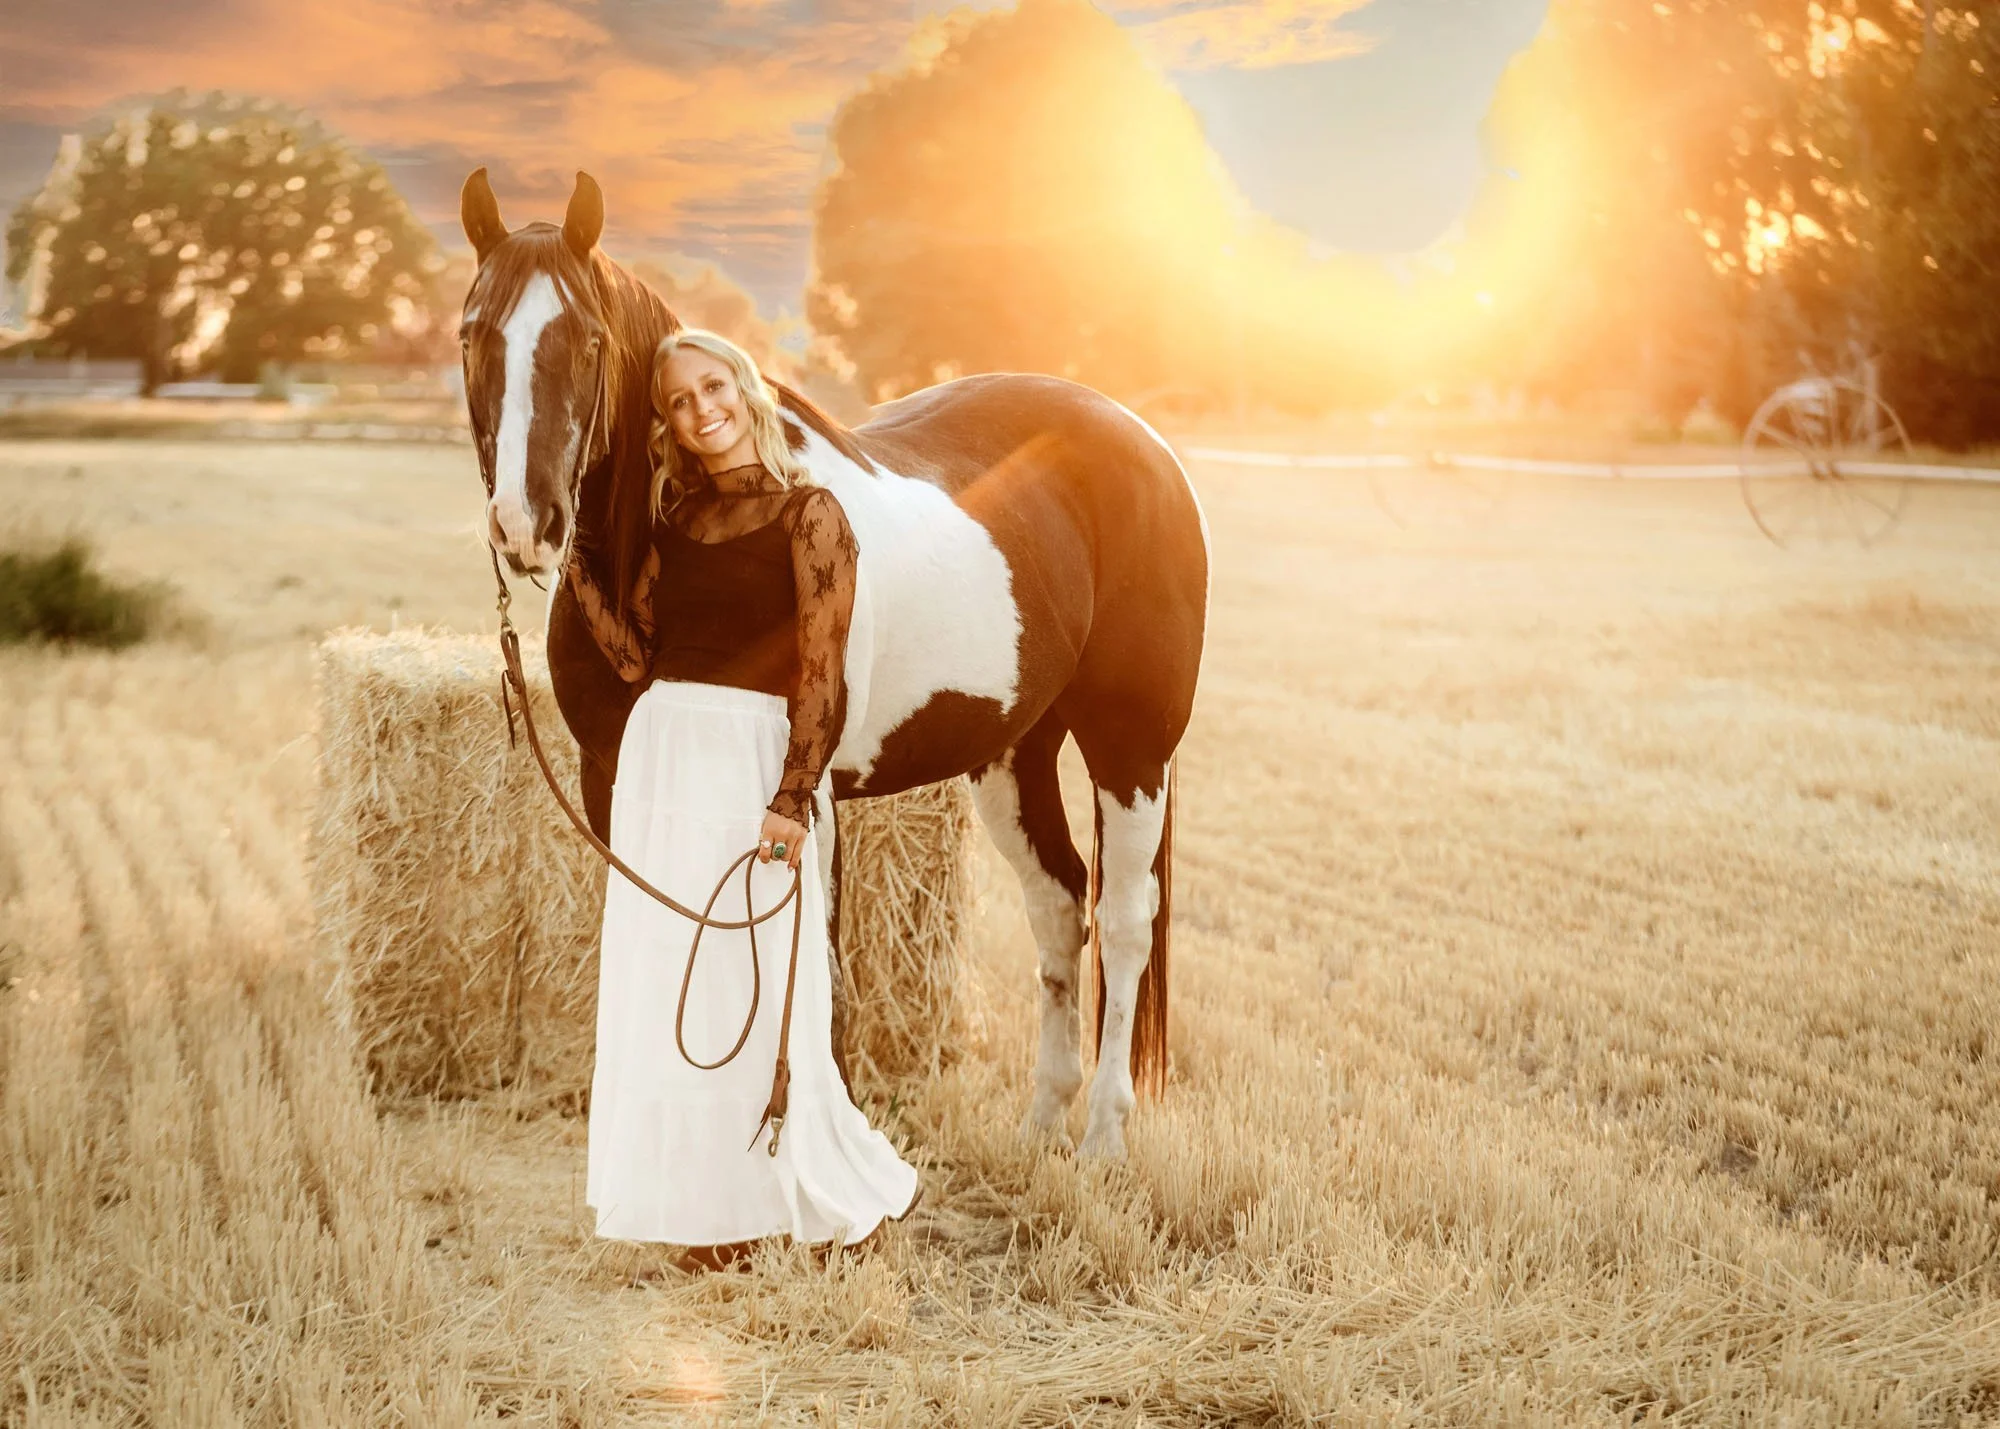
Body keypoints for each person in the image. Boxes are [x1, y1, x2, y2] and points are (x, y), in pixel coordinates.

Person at [567, 327, 918, 1266]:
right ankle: (708, 1214)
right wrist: (573, 563)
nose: (699, 410)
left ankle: (804, 1187)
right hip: (664, 757)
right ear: (667, 423)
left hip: (751, 759)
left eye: (712, 386)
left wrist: (792, 797)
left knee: (762, 981)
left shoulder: (813, 516)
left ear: (745, 387)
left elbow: (821, 670)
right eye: (677, 401)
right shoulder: (674, 520)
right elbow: (641, 657)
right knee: (670, 975)